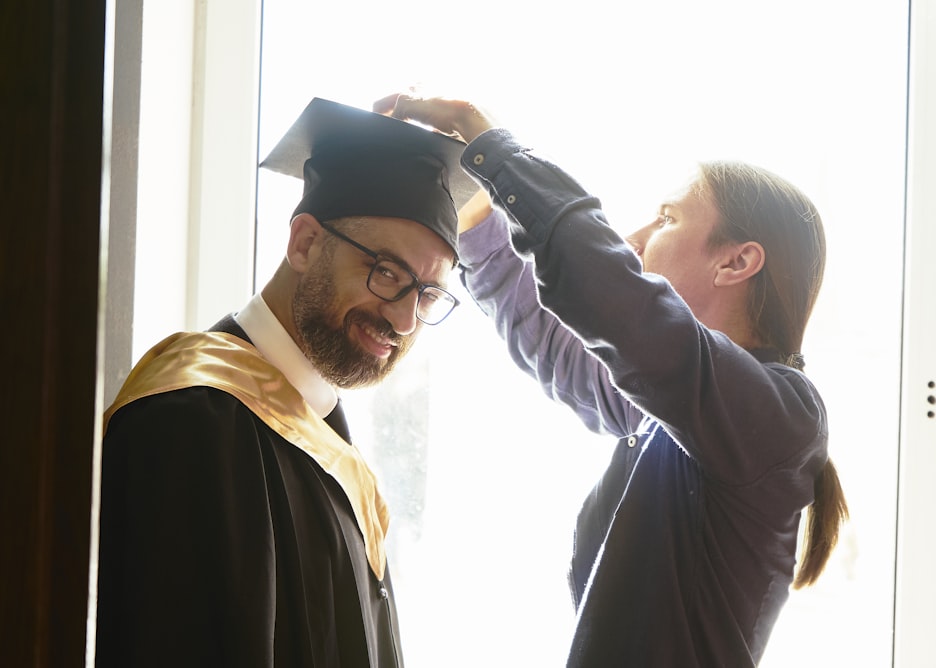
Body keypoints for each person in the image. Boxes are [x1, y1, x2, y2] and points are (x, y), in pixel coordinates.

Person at [377, 94, 849, 667]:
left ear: (736, 262)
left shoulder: (778, 415)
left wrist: (496, 153)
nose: (635, 237)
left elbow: (615, 301)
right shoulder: (679, 413)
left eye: (668, 217)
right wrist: (477, 206)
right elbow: (554, 341)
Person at [96, 98, 476, 667]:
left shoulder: (330, 443)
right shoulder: (189, 418)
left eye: (427, 294)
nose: (403, 320)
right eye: (387, 272)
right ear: (304, 243)